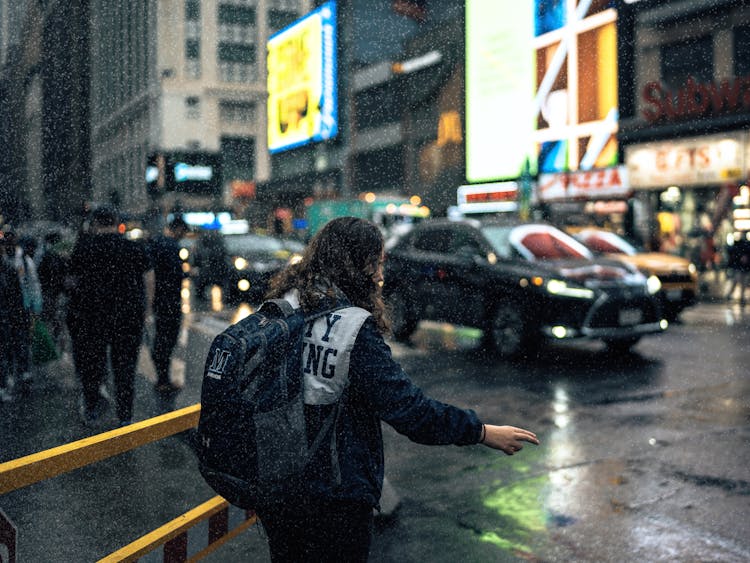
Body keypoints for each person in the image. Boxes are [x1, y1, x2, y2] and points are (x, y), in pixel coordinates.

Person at [259, 216, 539, 562]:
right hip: (333, 493)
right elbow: (409, 411)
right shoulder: (351, 329)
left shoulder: (282, 307)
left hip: (278, 484)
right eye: (374, 264)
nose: (379, 276)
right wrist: (480, 432)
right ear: (354, 266)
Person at [66, 205, 154, 427]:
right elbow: (149, 278)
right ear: (117, 223)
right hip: (128, 317)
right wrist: (147, 310)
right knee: (125, 368)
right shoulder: (133, 247)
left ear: (94, 224)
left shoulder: (83, 248)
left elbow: (71, 281)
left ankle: (93, 409)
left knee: (92, 365)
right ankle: (125, 415)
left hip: (91, 317)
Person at [147, 215, 190, 401]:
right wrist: (186, 273)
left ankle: (162, 378)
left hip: (160, 301)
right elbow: (176, 274)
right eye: (184, 231)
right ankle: (163, 380)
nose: (184, 235)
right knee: (167, 340)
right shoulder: (171, 246)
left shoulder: (156, 242)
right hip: (169, 301)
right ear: (178, 228)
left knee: (161, 339)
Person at [0, 231, 26, 402]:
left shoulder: (9, 269)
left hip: (6, 317)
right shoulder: (8, 269)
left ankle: (5, 382)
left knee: (6, 351)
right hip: (6, 317)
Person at [37, 231, 70, 351]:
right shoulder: (54, 257)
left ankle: (53, 343)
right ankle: (56, 344)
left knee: (54, 320)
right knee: (56, 320)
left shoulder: (47, 256)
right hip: (54, 293)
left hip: (51, 293)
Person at [725, 232, 750, 305]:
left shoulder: (739, 245)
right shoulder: (740, 245)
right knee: (738, 282)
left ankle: (739, 297)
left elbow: (732, 254)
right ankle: (737, 297)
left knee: (740, 282)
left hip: (742, 267)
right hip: (741, 267)